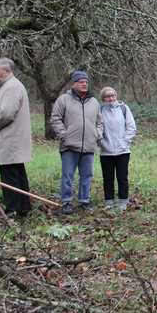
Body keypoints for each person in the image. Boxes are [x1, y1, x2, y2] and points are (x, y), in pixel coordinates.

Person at [50, 70, 103, 214]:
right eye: (81, 82)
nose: (84, 84)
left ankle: (84, 200)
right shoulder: (63, 100)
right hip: (69, 146)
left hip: (89, 145)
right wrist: (64, 135)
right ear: (73, 84)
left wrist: (98, 134)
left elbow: (100, 122)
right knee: (68, 176)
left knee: (87, 175)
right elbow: (55, 119)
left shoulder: (94, 101)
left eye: (86, 82)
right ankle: (66, 202)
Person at [0, 58, 32, 219]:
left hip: (10, 139)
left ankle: (12, 209)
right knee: (18, 174)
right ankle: (23, 207)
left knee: (9, 175)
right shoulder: (13, 85)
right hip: (15, 139)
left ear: (4, 70)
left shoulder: (10, 87)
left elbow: (6, 114)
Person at [98, 86, 137, 211]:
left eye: (113, 95)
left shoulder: (124, 108)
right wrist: (102, 143)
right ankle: (109, 201)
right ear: (103, 98)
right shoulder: (99, 111)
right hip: (106, 152)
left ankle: (123, 201)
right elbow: (96, 129)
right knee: (107, 178)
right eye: (107, 96)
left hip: (123, 151)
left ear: (116, 96)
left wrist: (124, 142)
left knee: (122, 177)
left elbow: (131, 127)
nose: (111, 98)